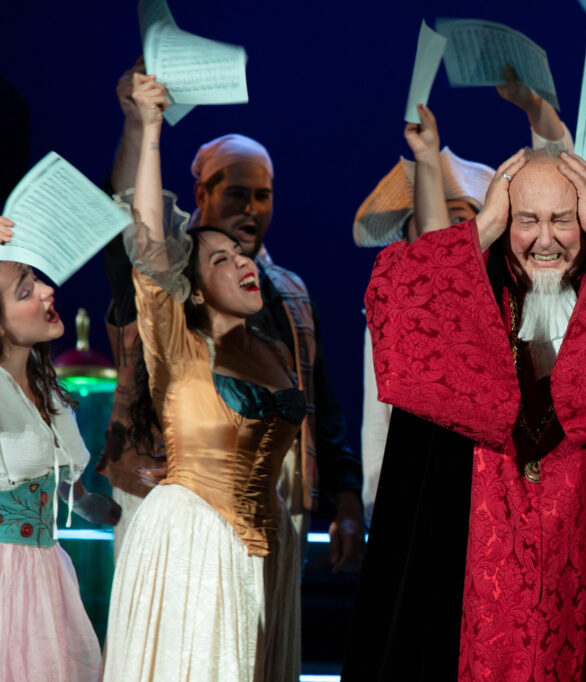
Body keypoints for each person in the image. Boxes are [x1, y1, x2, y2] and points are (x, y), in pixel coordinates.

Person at [344, 146, 586, 681]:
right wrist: (485, 223)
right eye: (527, 220)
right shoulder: (466, 304)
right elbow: (393, 288)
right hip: (473, 565)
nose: (546, 240)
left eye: (563, 220)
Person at [102, 58, 364, 571]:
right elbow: (131, 228)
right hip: (173, 493)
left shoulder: (289, 291)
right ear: (202, 193)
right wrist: (138, 125)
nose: (251, 208)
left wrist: (347, 500)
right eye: (237, 194)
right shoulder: (170, 279)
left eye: (263, 196)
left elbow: (323, 405)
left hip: (275, 502)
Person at [103, 74, 303, 680]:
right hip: (195, 539)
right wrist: (150, 128)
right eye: (220, 259)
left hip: (268, 544)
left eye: (240, 256)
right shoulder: (178, 342)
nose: (241, 261)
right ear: (191, 288)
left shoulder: (273, 347)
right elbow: (146, 241)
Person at [353, 104, 491, 521]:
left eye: (462, 219)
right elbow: (377, 421)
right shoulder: (392, 314)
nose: (451, 233)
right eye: (436, 216)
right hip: (417, 481)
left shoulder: (503, 301)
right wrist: (375, 501)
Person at [0, 217, 120, 681]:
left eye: (38, 280)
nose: (48, 291)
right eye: (25, 291)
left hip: (46, 571)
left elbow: (53, 471)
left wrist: (89, 503)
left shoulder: (46, 390)